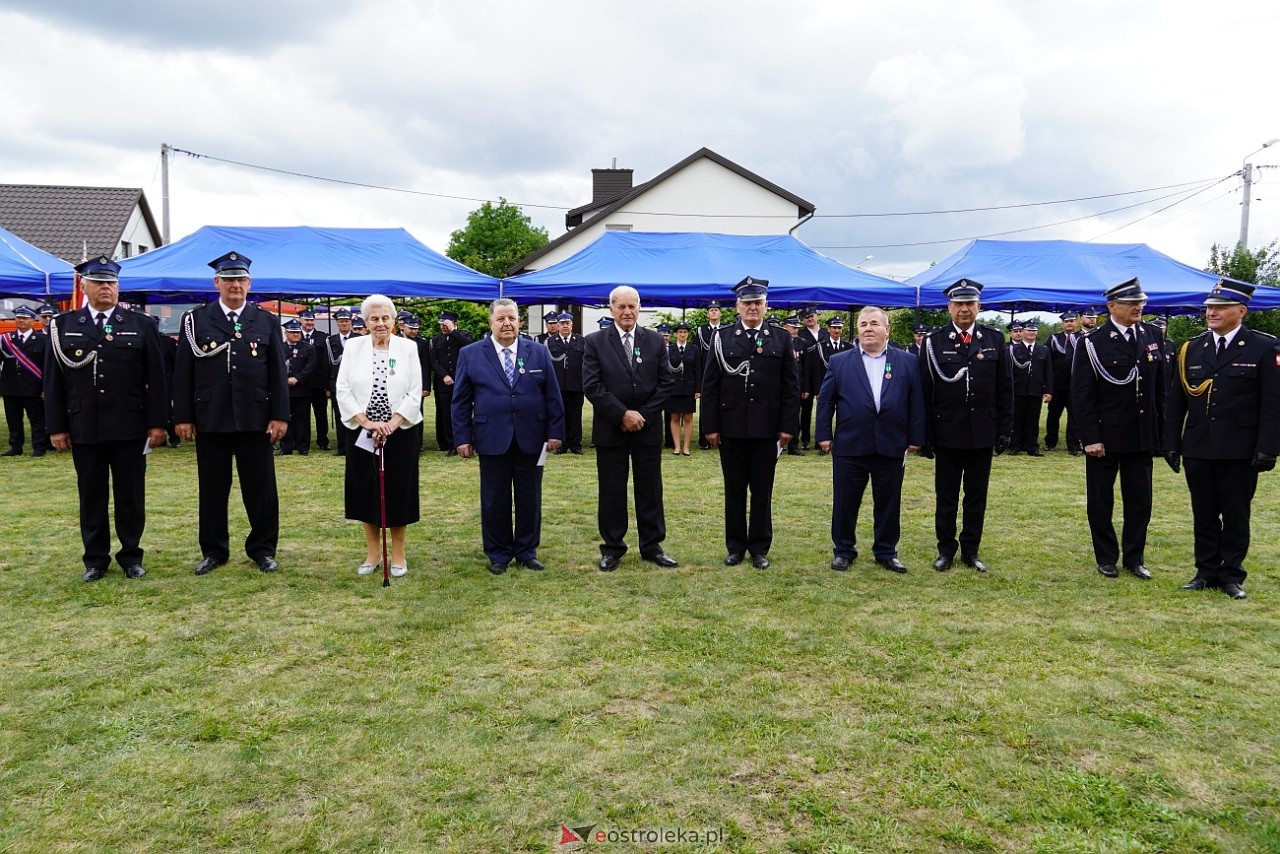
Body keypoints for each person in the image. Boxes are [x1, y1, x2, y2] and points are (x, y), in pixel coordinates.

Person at [43, 257, 169, 581]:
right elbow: (54, 382)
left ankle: (131, 557)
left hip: (130, 426)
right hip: (85, 425)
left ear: (118, 286)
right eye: (98, 283)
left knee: (131, 495)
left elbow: (157, 379)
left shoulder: (142, 324)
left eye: (111, 283)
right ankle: (95, 560)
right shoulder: (64, 325)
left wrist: (158, 423)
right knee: (91, 495)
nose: (105, 289)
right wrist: (56, 427)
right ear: (83, 286)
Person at [173, 252, 290, 575]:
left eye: (240, 280)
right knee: (212, 488)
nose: (235, 285)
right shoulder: (196, 320)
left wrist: (280, 415)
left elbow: (277, 373)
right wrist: (182, 415)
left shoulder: (265, 320)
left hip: (255, 417)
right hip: (211, 417)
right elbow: (183, 372)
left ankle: (263, 549)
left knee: (261, 489)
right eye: (229, 280)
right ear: (217, 283)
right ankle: (214, 551)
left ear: (249, 283)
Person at [1165, 280, 1278, 600]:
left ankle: (1231, 574)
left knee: (1236, 513)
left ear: (1241, 311)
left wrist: (1268, 447)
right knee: (1203, 511)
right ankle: (1205, 571)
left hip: (1240, 449)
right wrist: (1171, 442)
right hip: (1199, 446)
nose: (1211, 313)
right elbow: (1177, 401)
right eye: (1209, 308)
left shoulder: (1264, 347)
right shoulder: (1192, 348)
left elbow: (1273, 404)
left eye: (1220, 308)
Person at [451, 298, 564, 575]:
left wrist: (555, 432)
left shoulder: (537, 352)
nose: (507, 323)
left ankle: (527, 551)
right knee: (494, 498)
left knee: (530, 497)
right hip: (491, 437)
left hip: (532, 437)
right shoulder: (471, 354)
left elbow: (553, 395)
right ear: (491, 322)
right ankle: (498, 553)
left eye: (512, 318)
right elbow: (461, 401)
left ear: (519, 321)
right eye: (501, 318)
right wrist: (463, 437)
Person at [701, 277, 800, 568]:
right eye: (747, 303)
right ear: (738, 306)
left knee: (761, 490)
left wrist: (787, 427)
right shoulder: (722, 338)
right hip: (731, 427)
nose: (753, 308)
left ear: (766, 305)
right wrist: (710, 426)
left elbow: (790, 388)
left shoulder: (781, 338)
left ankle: (759, 547)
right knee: (733, 490)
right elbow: (710, 386)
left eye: (757, 302)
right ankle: (735, 547)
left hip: (766, 427)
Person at [817, 307, 925, 573]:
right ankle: (844, 550)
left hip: (891, 443)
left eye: (874, 323)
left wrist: (916, 436)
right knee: (845, 502)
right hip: (850, 445)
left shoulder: (908, 361)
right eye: (863, 323)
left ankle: (886, 551)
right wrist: (823, 435)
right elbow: (826, 401)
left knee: (889, 502)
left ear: (887, 329)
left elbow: (917, 402)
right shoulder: (840, 361)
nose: (867, 328)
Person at [1071, 278, 1166, 581]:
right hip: (1106, 436)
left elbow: (1161, 389)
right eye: (1130, 303)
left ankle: (1135, 558)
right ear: (1112, 306)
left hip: (1140, 434)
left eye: (1140, 302)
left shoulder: (1152, 335)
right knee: (1101, 501)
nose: (1138, 307)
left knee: (1140, 501)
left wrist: (1162, 432)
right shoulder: (1093, 341)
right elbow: (1082, 394)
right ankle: (1106, 557)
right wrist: (1091, 438)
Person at [918, 279, 1012, 573]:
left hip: (982, 431)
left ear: (978, 307)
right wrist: (925, 435)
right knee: (946, 497)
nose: (964, 310)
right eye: (958, 304)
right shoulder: (935, 341)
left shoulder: (994, 339)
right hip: (947, 432)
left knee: (976, 498)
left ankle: (971, 550)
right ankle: (945, 549)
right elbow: (924, 392)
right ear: (949, 307)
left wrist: (1004, 430)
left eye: (969, 304)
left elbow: (1004, 388)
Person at [583, 286, 677, 571]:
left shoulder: (655, 341)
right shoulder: (595, 342)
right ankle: (612, 548)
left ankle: (652, 546)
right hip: (611, 429)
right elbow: (592, 385)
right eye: (621, 307)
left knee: (650, 489)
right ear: (611, 309)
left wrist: (642, 416)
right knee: (612, 490)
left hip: (646, 429)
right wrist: (622, 414)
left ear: (639, 308)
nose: (627, 312)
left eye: (632, 306)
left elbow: (666, 383)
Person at [335, 295, 424, 577]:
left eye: (385, 318)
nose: (380, 323)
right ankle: (373, 554)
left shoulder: (408, 348)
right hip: (363, 431)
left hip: (400, 431)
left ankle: (398, 555)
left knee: (399, 490)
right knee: (365, 490)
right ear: (365, 321)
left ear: (394, 321)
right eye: (374, 318)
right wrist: (367, 423)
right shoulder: (353, 347)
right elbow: (343, 389)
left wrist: (393, 423)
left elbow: (414, 390)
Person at [1, 306, 49, 457]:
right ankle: (15, 447)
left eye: (25, 318)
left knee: (37, 420)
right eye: (19, 318)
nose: (21, 321)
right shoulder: (6, 339)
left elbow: (47, 366)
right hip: (11, 386)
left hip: (33, 387)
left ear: (33, 321)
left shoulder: (42, 340)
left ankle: (39, 448)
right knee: (13, 420)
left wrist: (45, 388)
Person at [429, 310, 470, 455]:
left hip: (461, 381)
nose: (443, 327)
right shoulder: (436, 340)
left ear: (454, 324)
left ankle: (465, 441)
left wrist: (453, 332)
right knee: (446, 414)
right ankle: (450, 443)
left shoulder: (463, 335)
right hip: (444, 383)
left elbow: (469, 347)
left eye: (446, 324)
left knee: (462, 412)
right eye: (441, 324)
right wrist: (444, 375)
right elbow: (433, 360)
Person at [1009, 319, 1053, 456]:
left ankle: (1032, 447)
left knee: (1033, 420)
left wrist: (1048, 391)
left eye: (1034, 330)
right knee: (1016, 419)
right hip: (1017, 390)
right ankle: (1015, 446)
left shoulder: (1043, 350)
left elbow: (1048, 372)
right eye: (1029, 330)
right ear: (1022, 332)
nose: (1031, 333)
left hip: (1035, 390)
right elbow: (1008, 372)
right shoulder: (1013, 350)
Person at [547, 311, 585, 454]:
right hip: (558, 385)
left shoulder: (581, 341)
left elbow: (585, 363)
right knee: (560, 415)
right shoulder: (551, 342)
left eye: (567, 323)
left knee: (575, 416)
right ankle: (562, 444)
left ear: (572, 324)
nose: (565, 326)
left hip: (576, 385)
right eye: (562, 324)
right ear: (557, 325)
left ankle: (575, 444)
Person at [1045, 310, 1081, 455]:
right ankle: (1050, 442)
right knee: (1053, 416)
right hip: (1057, 384)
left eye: (1072, 321)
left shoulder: (1082, 338)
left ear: (1076, 323)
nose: (1069, 324)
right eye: (1066, 321)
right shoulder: (1053, 338)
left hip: (1075, 385)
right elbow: (1047, 362)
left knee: (1074, 417)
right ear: (1062, 324)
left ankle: (1073, 445)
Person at [280, 319, 317, 455]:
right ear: (286, 333)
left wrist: (297, 378)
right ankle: (286, 447)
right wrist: (285, 380)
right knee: (285, 417)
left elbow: (311, 366)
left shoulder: (308, 348)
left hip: (302, 389)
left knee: (303, 419)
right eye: (292, 332)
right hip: (284, 390)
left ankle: (303, 447)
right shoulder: (279, 347)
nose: (296, 334)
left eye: (297, 332)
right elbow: (275, 366)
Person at [667, 320, 702, 456]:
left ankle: (686, 447)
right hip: (673, 388)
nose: (682, 334)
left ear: (688, 334)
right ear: (676, 334)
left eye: (685, 332)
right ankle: (677, 446)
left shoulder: (694, 349)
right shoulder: (670, 349)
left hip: (689, 388)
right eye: (680, 332)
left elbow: (697, 370)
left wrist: (698, 389)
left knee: (688, 418)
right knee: (674, 417)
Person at [298, 309, 331, 451]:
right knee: (301, 415)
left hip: (318, 383)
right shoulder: (295, 335)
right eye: (307, 320)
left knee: (321, 414)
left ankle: (323, 441)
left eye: (312, 320)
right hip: (301, 384)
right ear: (301, 321)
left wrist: (327, 385)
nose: (310, 322)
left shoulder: (323, 337)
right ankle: (301, 442)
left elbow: (326, 362)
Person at [696, 300, 725, 449]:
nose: (714, 312)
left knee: (723, 406)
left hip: (722, 373)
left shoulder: (726, 330)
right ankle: (704, 440)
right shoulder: (701, 331)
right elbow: (697, 356)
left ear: (720, 313)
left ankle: (722, 438)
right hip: (706, 373)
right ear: (707, 314)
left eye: (716, 309)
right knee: (706, 408)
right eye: (711, 310)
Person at [326, 308, 356, 455]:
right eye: (341, 321)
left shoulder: (359, 338)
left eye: (346, 321)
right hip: (337, 384)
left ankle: (355, 445)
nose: (344, 323)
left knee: (356, 415)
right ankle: (342, 446)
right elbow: (326, 365)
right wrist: (327, 386)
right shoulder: (330, 341)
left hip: (356, 385)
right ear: (337, 323)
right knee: (340, 416)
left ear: (351, 322)